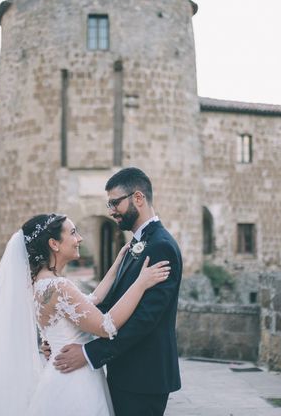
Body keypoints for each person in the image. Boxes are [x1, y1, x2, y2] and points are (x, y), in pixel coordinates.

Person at [0, 212, 170, 416]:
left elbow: (92, 300)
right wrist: (141, 283)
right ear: (54, 244)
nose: (79, 238)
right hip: (76, 383)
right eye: (73, 233)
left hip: (57, 376)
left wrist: (117, 263)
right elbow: (106, 326)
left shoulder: (39, 284)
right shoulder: (59, 286)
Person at [53, 167, 183, 416]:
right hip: (124, 370)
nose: (111, 211)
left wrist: (90, 353)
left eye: (115, 203)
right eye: (109, 204)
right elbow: (110, 305)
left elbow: (144, 320)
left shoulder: (161, 247)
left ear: (138, 198)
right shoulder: (136, 243)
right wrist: (70, 334)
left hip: (144, 377)